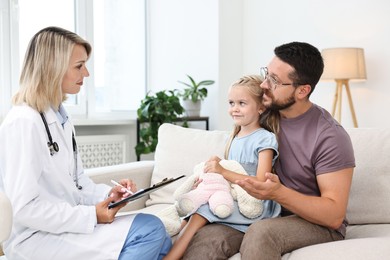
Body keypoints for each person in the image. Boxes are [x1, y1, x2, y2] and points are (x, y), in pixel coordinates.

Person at [0, 26, 172, 260]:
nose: (87, 74)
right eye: (79, 66)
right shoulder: (23, 121)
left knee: (163, 239)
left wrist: (109, 195)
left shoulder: (59, 117)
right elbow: (24, 210)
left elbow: (78, 184)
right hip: (35, 238)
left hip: (64, 227)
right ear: (54, 68)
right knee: (150, 231)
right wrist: (91, 216)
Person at [182, 42, 355, 260]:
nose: (264, 84)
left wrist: (277, 193)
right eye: (267, 73)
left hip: (314, 223)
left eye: (274, 80)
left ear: (302, 90)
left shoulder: (330, 136)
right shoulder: (262, 115)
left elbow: (333, 215)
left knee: (262, 233)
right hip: (259, 211)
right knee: (208, 237)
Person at [164, 75, 281, 260]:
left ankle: (170, 258)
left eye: (242, 103)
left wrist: (223, 171)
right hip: (233, 195)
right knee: (189, 211)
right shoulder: (234, 136)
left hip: (254, 201)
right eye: (231, 103)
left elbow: (260, 182)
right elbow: (229, 172)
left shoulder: (264, 139)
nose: (234, 108)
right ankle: (168, 242)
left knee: (199, 214)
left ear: (261, 107)